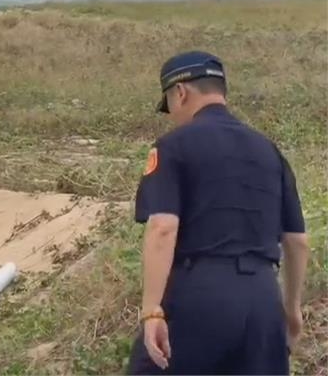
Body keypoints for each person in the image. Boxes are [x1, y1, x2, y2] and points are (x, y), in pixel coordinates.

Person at [127, 51, 309, 375]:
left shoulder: (173, 146)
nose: (172, 117)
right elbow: (296, 241)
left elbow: (163, 227)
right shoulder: (269, 151)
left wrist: (152, 310)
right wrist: (291, 311)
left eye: (170, 106)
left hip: (199, 296)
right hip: (263, 299)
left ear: (180, 93)